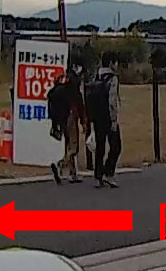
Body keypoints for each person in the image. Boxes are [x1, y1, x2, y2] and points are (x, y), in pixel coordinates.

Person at [84, 53, 122, 188]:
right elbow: (112, 101)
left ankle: (98, 176)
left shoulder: (96, 76)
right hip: (108, 117)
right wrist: (114, 120)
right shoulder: (112, 79)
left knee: (100, 148)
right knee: (116, 147)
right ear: (111, 63)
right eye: (116, 62)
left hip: (97, 117)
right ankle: (108, 173)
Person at [48, 65, 87, 184]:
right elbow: (79, 105)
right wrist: (84, 121)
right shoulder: (74, 89)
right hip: (71, 117)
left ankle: (72, 173)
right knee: (73, 148)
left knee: (68, 145)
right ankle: (60, 164)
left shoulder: (59, 89)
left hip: (62, 119)